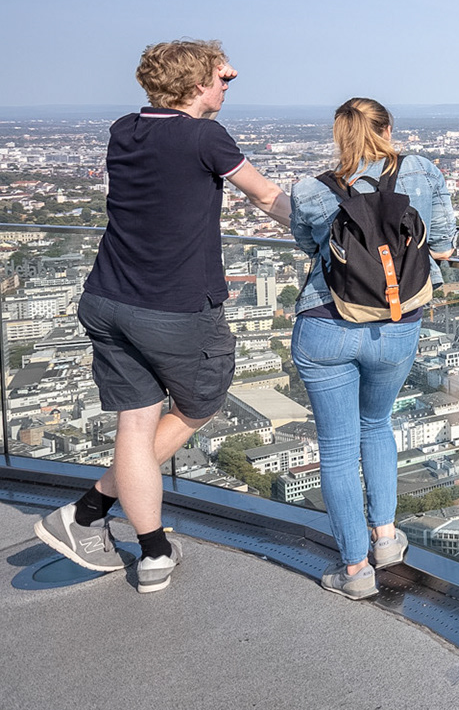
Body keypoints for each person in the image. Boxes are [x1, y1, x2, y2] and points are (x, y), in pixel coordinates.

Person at [35, 40, 289, 593]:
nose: (230, 79)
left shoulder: (125, 128)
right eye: (223, 77)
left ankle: (150, 553)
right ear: (199, 83)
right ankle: (88, 508)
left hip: (106, 298)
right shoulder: (204, 136)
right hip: (173, 307)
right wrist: (336, 234)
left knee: (138, 420)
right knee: (199, 406)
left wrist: (209, 73)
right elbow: (269, 198)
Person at [289, 98, 453, 599]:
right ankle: (385, 539)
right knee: (377, 425)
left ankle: (355, 571)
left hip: (326, 323)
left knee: (338, 449)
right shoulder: (422, 171)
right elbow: (442, 245)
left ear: (339, 134)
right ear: (390, 128)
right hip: (397, 323)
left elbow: (310, 245)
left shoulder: (312, 189)